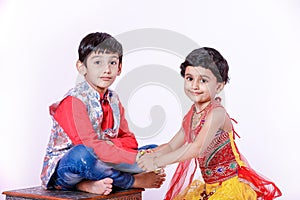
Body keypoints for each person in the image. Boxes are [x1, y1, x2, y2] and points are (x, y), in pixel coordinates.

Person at [137, 47, 282, 199]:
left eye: (203, 80)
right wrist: (149, 155)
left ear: (219, 86)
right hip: (209, 188)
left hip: (229, 187)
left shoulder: (217, 113)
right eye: (189, 78)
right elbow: (173, 145)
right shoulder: (193, 114)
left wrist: (157, 162)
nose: (194, 86)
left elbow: (196, 148)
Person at [40, 32, 165, 195]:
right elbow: (90, 147)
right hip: (70, 167)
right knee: (85, 154)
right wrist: (117, 151)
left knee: (154, 151)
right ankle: (130, 181)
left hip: (105, 159)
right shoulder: (73, 101)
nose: (106, 69)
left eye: (112, 62)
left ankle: (90, 184)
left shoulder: (113, 99)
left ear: (119, 68)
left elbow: (129, 140)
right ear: (81, 67)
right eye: (97, 62)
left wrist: (116, 147)